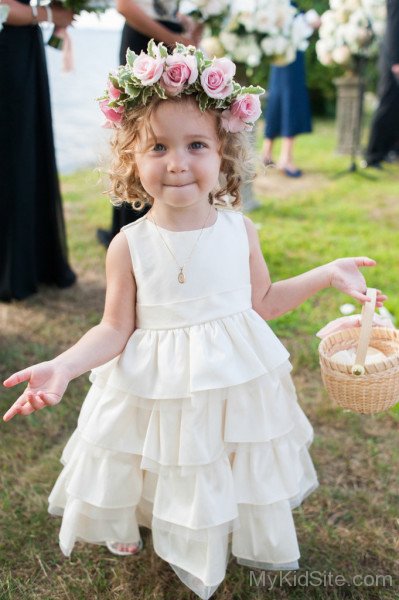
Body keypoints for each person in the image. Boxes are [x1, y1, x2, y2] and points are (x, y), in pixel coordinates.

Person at [3, 42, 386, 600]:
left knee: (212, 451)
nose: (178, 161)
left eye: (197, 144)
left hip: (228, 376)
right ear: (131, 158)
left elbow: (264, 302)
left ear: (224, 155)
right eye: (157, 146)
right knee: (153, 450)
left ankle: (210, 518)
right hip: (153, 379)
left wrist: (327, 272)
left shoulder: (239, 232)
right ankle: (136, 514)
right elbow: (113, 328)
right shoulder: (128, 245)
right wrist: (63, 367)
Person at [96, 0, 202, 248]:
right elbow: (124, 5)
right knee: (140, 136)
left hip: (171, 38)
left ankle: (167, 229)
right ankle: (127, 231)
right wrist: (172, 37)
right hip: (144, 41)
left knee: (171, 134)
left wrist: (181, 22)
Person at [0, 0, 76, 301]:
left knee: (25, 154)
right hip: (6, 51)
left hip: (24, 47)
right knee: (11, 156)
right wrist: (48, 14)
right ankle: (11, 268)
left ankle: (31, 262)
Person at [364, 0, 399, 169]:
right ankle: (372, 154)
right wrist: (395, 62)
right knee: (387, 106)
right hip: (393, 60)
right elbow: (394, 26)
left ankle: (391, 150)